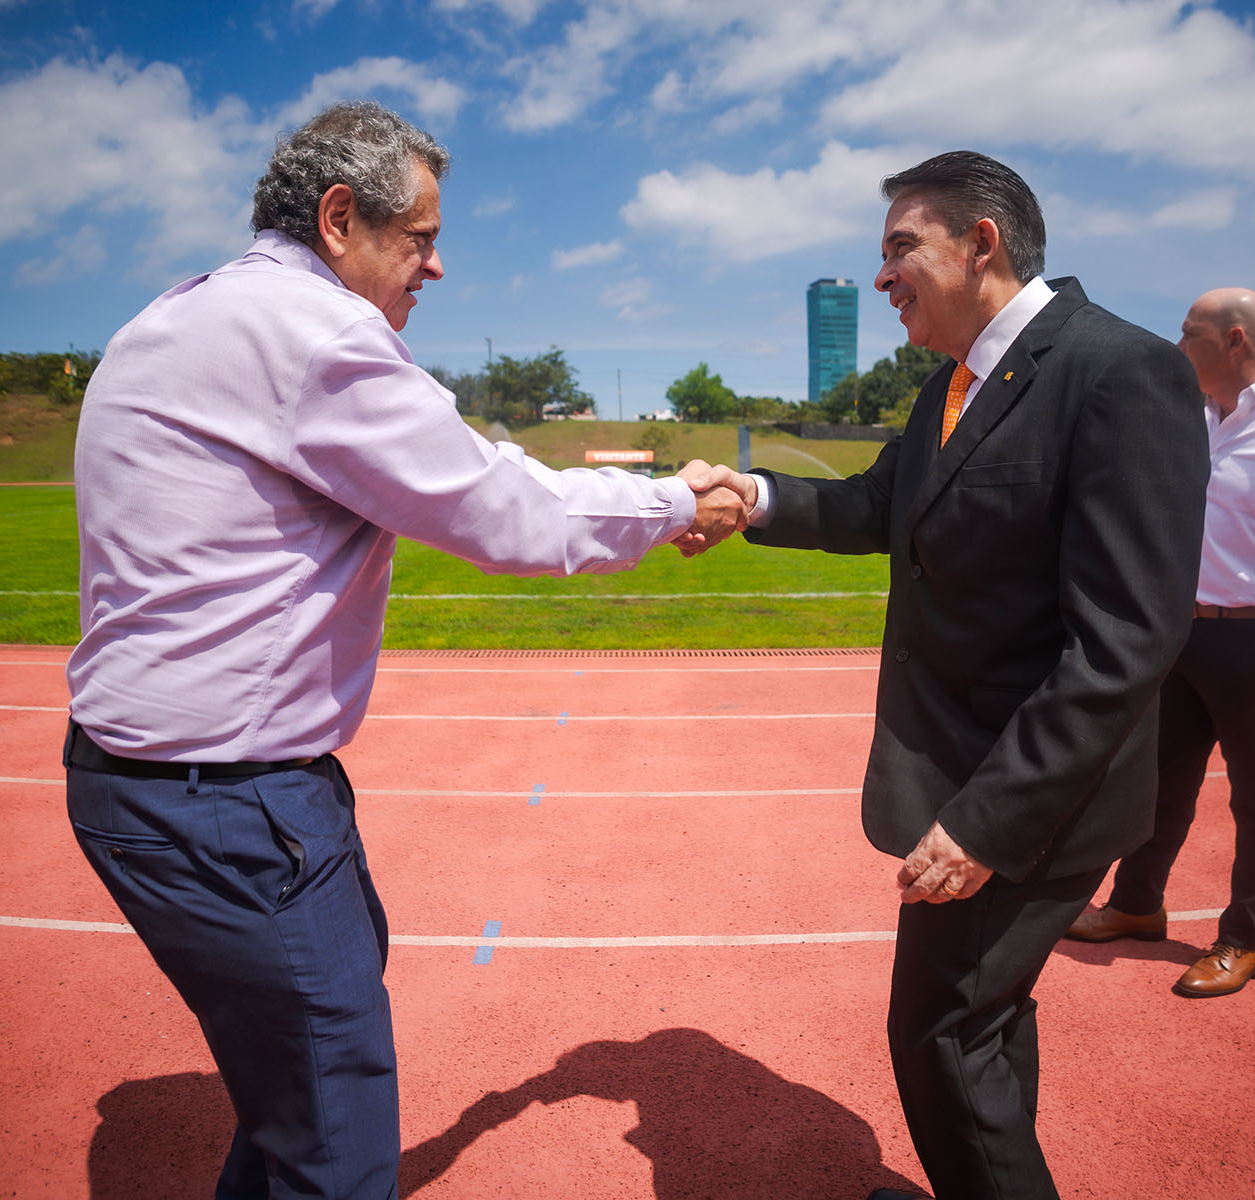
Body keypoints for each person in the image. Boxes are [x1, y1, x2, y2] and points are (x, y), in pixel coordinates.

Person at [62, 101, 745, 1200]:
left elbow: (461, 466)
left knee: (293, 1100)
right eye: (419, 237)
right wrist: (674, 501)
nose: (437, 264)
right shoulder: (319, 336)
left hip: (137, 782)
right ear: (340, 219)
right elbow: (499, 511)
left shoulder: (175, 315)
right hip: (232, 804)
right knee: (336, 1145)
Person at [694, 152, 1210, 1200]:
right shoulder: (954, 383)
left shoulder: (1120, 371)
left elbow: (1129, 634)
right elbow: (876, 505)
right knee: (987, 1021)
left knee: (937, 1036)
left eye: (899, 248)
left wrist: (989, 821)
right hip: (971, 776)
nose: (882, 276)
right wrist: (751, 494)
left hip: (1025, 801)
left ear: (982, 243)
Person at [1063, 288, 1255, 997]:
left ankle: (1244, 938)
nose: (1176, 346)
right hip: (1184, 632)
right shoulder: (1199, 422)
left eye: (1187, 333)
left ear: (1235, 341)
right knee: (1160, 781)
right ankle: (1137, 904)